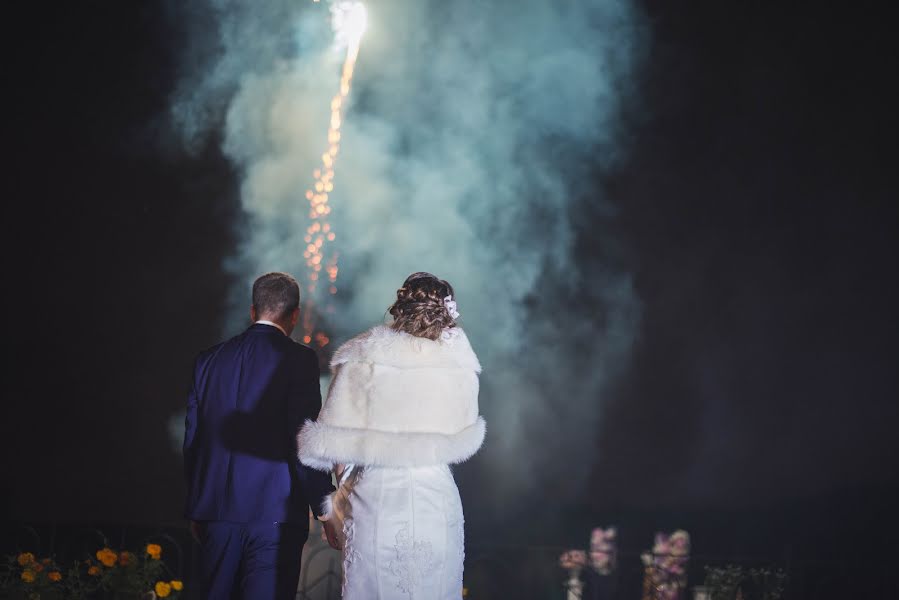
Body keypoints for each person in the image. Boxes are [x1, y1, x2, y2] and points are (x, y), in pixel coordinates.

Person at [298, 272, 486, 599]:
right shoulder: (458, 362)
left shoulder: (362, 355)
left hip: (376, 500)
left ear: (400, 306)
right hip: (437, 500)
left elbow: (332, 443)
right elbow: (464, 430)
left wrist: (338, 501)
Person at [183, 272, 340, 600]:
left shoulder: (208, 360)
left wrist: (198, 506)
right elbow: (303, 438)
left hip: (216, 512)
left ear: (253, 311)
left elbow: (194, 439)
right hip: (274, 516)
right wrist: (325, 507)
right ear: (294, 315)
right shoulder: (299, 360)